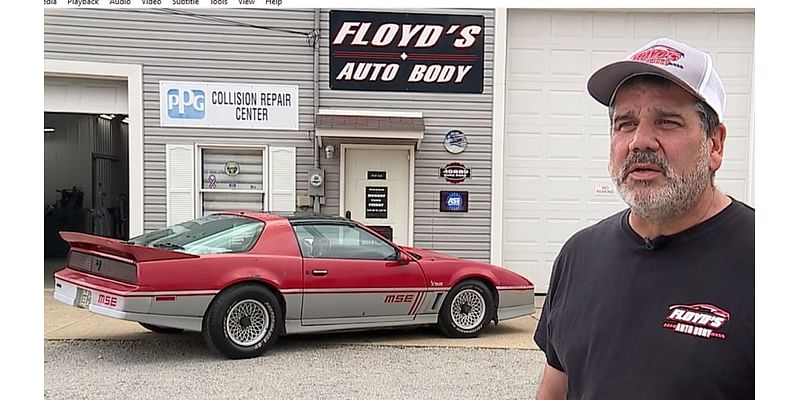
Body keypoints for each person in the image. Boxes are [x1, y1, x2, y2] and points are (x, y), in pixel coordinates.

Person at [533, 37, 754, 400]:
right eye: (625, 123)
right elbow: (555, 391)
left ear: (715, 144)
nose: (639, 141)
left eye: (667, 122)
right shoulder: (579, 255)